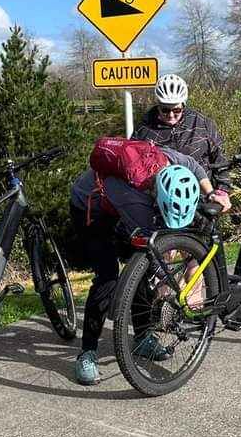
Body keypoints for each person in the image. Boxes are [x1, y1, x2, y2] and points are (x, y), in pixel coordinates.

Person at [68, 146, 230, 386]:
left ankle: (143, 339)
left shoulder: (174, 162)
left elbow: (196, 168)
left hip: (123, 200)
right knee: (109, 275)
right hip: (91, 209)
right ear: (157, 195)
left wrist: (211, 193)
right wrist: (173, 289)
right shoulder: (136, 203)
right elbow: (155, 256)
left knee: (141, 264)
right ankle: (87, 354)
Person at [133, 74, 231, 198]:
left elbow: (220, 157)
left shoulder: (202, 123)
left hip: (201, 197)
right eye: (165, 110)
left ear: (183, 105)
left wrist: (222, 190)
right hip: (161, 200)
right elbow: (134, 166)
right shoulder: (144, 129)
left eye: (176, 110)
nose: (171, 115)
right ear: (158, 106)